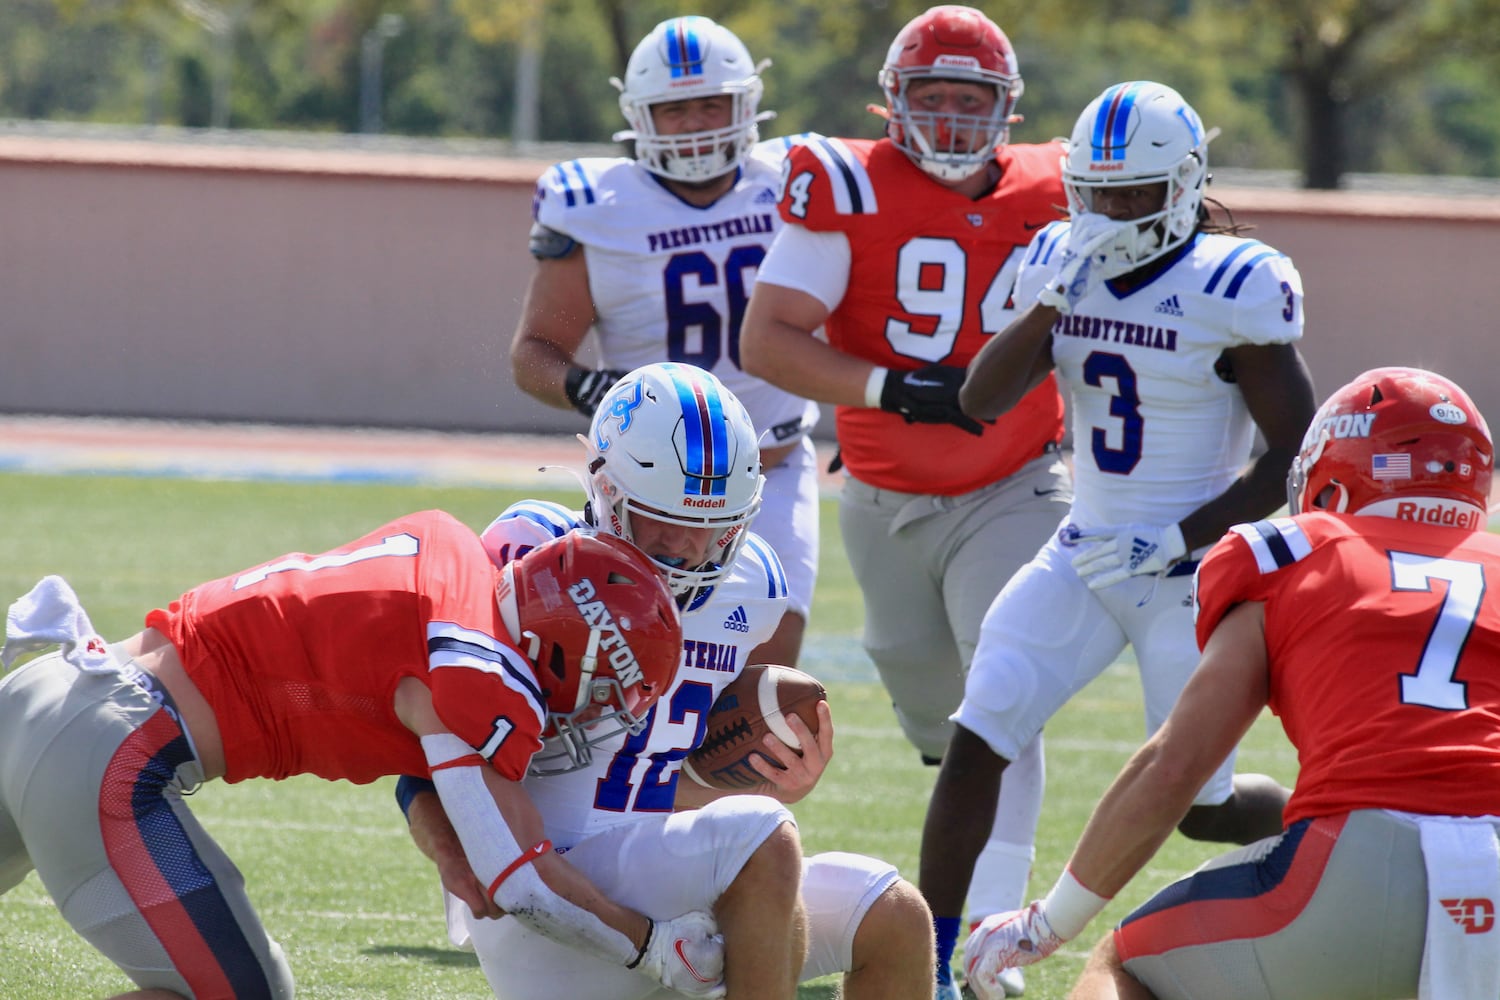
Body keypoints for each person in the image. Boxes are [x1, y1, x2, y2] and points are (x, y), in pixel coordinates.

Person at [919, 79, 1317, 994]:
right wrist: (1053, 299)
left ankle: (1309, 826)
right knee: (982, 728)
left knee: (1203, 808)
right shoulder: (1060, 258)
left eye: (1136, 193)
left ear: (1185, 184)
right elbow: (978, 403)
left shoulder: (1235, 280)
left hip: (1191, 569)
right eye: (1098, 193)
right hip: (1083, 548)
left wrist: (1180, 538)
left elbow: (1291, 457)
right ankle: (937, 963)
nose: (1115, 212)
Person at [0, 513, 720, 998]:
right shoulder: (470, 680)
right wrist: (653, 945)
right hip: (109, 751)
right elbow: (522, 883)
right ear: (569, 652)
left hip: (47, 687)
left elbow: (387, 690)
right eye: (604, 694)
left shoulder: (453, 551)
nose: (596, 717)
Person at [398, 363, 936, 1000]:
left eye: (713, 523)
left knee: (896, 915)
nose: (686, 546)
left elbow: (654, 780)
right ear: (604, 487)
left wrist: (756, 770)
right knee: (761, 835)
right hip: (547, 893)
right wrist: (450, 850)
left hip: (662, 870)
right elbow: (427, 742)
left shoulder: (753, 585)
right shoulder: (535, 555)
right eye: (661, 518)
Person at [963, 365, 1500, 1000]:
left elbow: (1177, 764)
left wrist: (1047, 923)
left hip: (1360, 868)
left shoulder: (1293, 550)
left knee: (1125, 963)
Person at [739, 6, 1067, 995]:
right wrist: (897, 385)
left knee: (1002, 696)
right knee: (928, 693)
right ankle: (952, 757)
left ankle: (984, 946)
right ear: (895, 103)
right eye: (936, 97)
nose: (957, 119)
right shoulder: (845, 184)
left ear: (1006, 108)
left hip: (1017, 479)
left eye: (976, 100)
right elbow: (771, 337)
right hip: (882, 490)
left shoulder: (1060, 188)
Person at [509, 14, 820, 669]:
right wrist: (586, 388)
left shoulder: (796, 182)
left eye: (713, 104)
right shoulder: (595, 203)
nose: (696, 123)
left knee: (764, 677)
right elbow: (534, 353)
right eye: (674, 109)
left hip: (775, 463)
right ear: (640, 116)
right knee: (608, 662)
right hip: (645, 487)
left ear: (748, 106)